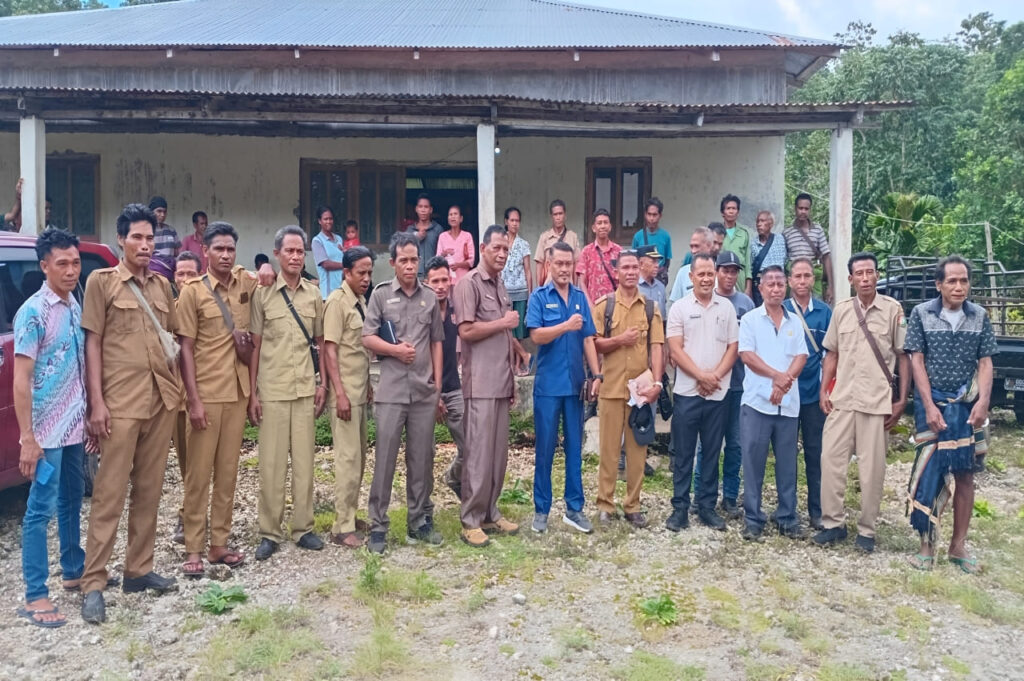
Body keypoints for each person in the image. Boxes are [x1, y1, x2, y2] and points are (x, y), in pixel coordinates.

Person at [80, 204, 180, 624]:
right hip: (119, 405)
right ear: (120, 239)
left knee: (149, 490)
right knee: (108, 494)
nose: (145, 244)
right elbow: (93, 344)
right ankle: (94, 582)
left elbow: (171, 338)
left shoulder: (162, 285)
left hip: (160, 401)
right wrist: (96, 403)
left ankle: (138, 569)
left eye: (150, 237)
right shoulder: (101, 283)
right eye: (137, 237)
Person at [904, 255, 996, 574]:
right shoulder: (921, 314)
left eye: (964, 280)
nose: (959, 287)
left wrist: (983, 401)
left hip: (968, 408)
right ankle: (926, 547)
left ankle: (958, 547)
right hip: (932, 407)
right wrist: (929, 405)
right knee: (930, 470)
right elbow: (916, 361)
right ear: (939, 284)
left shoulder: (980, 316)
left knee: (965, 474)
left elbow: (985, 362)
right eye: (952, 281)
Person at [13, 228, 86, 628]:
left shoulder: (74, 304)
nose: (71, 270)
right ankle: (36, 594)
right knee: (39, 510)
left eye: (75, 262)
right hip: (45, 433)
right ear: (44, 266)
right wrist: (28, 438)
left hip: (74, 427)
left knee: (72, 500)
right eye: (62, 264)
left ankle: (74, 569)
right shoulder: (33, 313)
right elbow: (20, 380)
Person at [813, 252, 909, 553]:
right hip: (842, 399)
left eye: (870, 272)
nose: (865, 278)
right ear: (851, 278)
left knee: (872, 470)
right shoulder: (841, 311)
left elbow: (903, 356)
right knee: (830, 462)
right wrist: (823, 390)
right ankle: (833, 524)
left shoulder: (893, 310)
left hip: (875, 401)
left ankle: (867, 530)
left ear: (877, 276)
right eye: (860, 273)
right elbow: (832, 354)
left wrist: (902, 399)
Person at [177, 221, 257, 576]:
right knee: (198, 475)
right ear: (204, 252)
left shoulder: (244, 284)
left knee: (227, 473)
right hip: (206, 394)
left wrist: (266, 267)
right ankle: (193, 546)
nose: (225, 255)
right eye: (218, 249)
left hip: (237, 394)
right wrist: (192, 401)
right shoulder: (193, 292)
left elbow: (267, 276)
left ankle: (218, 544)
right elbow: (185, 349)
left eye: (230, 249)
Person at [362, 231, 445, 554]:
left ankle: (419, 521)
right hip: (392, 392)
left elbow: (437, 340)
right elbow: (368, 338)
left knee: (422, 460)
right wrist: (395, 351)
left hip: (424, 392)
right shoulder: (381, 296)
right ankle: (378, 526)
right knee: (385, 461)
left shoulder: (430, 297)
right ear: (393, 263)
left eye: (415, 260)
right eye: (404, 261)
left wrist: (437, 384)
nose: (410, 266)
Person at [248, 225, 327, 561]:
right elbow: (255, 345)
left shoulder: (313, 294)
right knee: (271, 465)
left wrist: (322, 382)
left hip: (306, 389)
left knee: (305, 464)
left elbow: (321, 342)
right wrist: (252, 393)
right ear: (277, 253)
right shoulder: (261, 292)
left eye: (300, 251)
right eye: (290, 251)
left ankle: (303, 528)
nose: (296, 257)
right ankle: (269, 532)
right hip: (273, 390)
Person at [527, 240, 602, 534]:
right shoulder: (538, 297)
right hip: (548, 387)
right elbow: (536, 337)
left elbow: (587, 339)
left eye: (568, 264)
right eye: (558, 264)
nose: (563, 269)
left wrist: (596, 376)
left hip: (575, 387)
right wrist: (564, 326)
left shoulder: (581, 298)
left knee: (574, 449)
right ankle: (541, 510)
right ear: (548, 264)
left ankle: (574, 508)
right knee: (545, 450)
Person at [455, 224, 523, 547]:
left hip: (501, 380)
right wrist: (504, 322)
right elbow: (466, 331)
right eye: (496, 247)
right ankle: (470, 519)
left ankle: (490, 512)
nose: (501, 253)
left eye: (506, 249)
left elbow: (502, 333)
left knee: (498, 455)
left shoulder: (500, 285)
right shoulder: (468, 284)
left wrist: (517, 352)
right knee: (479, 455)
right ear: (482, 248)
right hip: (479, 382)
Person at [664, 253, 738, 532]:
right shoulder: (680, 308)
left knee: (711, 453)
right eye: (701, 274)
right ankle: (680, 509)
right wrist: (700, 376)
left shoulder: (727, 308)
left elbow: (733, 347)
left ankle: (706, 507)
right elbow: (675, 348)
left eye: (710, 273)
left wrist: (714, 377)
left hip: (718, 394)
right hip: (687, 393)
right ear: (691, 277)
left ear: (716, 275)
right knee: (683, 454)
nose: (706, 278)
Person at [592, 250, 664, 529]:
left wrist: (657, 383)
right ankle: (605, 505)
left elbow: (657, 347)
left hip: (640, 393)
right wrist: (620, 340)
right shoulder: (604, 306)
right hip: (611, 388)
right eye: (626, 267)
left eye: (635, 267)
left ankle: (632, 505)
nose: (631, 272)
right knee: (609, 450)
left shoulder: (650, 308)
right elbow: (594, 343)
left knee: (637, 451)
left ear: (641, 269)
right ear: (617, 272)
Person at [737, 265, 808, 540]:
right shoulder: (751, 320)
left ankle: (787, 517)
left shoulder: (794, 321)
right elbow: (747, 356)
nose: (776, 288)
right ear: (761, 288)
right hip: (757, 403)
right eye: (771, 284)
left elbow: (801, 356)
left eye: (780, 284)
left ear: (785, 287)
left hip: (788, 404)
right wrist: (777, 377)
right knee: (753, 462)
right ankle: (753, 518)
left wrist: (785, 381)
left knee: (787, 463)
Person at [690, 251, 753, 520]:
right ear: (716, 272)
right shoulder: (704, 301)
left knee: (735, 443)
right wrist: (708, 377)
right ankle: (701, 495)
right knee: (707, 444)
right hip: (709, 384)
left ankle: (729, 497)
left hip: (738, 384)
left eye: (734, 271)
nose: (729, 275)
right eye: (724, 270)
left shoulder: (746, 304)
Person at [323, 246, 376, 549]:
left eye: (369, 272)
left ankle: (351, 515)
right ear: (346, 273)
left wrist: (366, 384)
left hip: (358, 391)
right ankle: (341, 527)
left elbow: (358, 350)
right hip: (344, 395)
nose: (367, 278)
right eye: (361, 273)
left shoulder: (361, 302)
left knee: (359, 459)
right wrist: (339, 393)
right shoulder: (336, 303)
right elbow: (330, 350)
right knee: (347, 459)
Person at [783, 257, 832, 530]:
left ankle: (817, 510)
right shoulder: (781, 310)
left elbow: (830, 355)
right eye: (797, 276)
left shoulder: (825, 313)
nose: (802, 281)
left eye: (806, 276)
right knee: (786, 454)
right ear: (790, 281)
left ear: (813, 279)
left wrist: (827, 389)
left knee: (816, 453)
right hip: (787, 394)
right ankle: (787, 511)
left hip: (815, 395)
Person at [421, 257, 471, 503]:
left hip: (454, 388)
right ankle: (424, 508)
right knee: (424, 454)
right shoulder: (420, 313)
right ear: (426, 283)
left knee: (470, 446)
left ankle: (454, 477)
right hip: (425, 393)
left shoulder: (456, 311)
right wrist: (434, 393)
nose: (440, 286)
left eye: (444, 280)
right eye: (435, 281)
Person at [170, 251, 202, 544]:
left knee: (200, 464)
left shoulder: (205, 306)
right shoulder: (168, 311)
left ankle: (188, 517)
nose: (186, 280)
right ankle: (190, 515)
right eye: (181, 274)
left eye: (191, 274)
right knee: (186, 465)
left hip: (203, 397)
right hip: (176, 401)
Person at [783, 193, 834, 304]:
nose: (803, 211)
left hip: (813, 278)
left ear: (810, 210)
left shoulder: (817, 230)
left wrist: (830, 286)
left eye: (806, 209)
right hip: (794, 279)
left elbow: (826, 256)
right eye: (800, 208)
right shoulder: (787, 232)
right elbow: (784, 260)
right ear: (795, 208)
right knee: (793, 309)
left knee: (817, 307)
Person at [501, 206, 534, 368]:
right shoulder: (500, 242)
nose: (515, 224)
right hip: (503, 292)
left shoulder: (524, 244)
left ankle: (516, 365)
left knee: (518, 332)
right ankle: (524, 355)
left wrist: (530, 293)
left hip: (520, 292)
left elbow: (528, 271)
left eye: (517, 221)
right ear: (506, 221)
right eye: (512, 220)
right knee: (506, 330)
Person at [576, 209, 621, 305]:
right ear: (593, 228)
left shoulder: (619, 251)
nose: (603, 226)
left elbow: (623, 280)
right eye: (599, 223)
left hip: (616, 305)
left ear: (610, 227)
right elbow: (582, 282)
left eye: (605, 223)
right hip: (594, 305)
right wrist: (589, 305)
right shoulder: (586, 251)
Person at [534, 199, 580, 286]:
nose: (558, 217)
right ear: (551, 217)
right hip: (549, 285)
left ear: (565, 215)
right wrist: (538, 288)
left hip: (568, 285)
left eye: (560, 214)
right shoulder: (544, 237)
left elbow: (576, 264)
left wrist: (575, 286)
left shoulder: (573, 237)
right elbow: (539, 264)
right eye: (555, 214)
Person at [749, 210, 787, 307]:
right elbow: (751, 266)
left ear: (771, 224)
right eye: (757, 222)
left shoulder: (780, 239)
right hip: (761, 282)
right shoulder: (753, 244)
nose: (759, 224)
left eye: (762, 221)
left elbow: (785, 259)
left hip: (778, 281)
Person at [631, 197, 673, 284]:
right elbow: (634, 259)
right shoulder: (638, 237)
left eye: (654, 215)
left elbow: (667, 261)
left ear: (660, 215)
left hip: (659, 279)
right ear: (645, 215)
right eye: (649, 214)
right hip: (642, 280)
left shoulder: (666, 236)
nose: (651, 218)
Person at [668, 227, 714, 304]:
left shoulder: (720, 272)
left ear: (709, 246)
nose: (693, 251)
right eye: (691, 246)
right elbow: (675, 305)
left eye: (696, 246)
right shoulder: (683, 272)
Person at [719, 195, 752, 296]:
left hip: (739, 275)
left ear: (738, 212)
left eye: (734, 208)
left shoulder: (744, 233)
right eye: (728, 208)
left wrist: (748, 288)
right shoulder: (717, 232)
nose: (731, 211)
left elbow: (748, 263)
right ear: (722, 213)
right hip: (722, 275)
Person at [405, 193, 444, 279]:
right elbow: (404, 251)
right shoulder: (410, 230)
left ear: (431, 210)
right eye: (420, 206)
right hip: (414, 275)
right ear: (416, 209)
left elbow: (442, 254)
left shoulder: (438, 229)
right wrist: (416, 238)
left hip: (433, 275)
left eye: (426, 207)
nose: (423, 210)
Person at [437, 204, 475, 287]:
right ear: (448, 219)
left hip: (463, 280)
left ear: (461, 218)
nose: (453, 217)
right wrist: (444, 253)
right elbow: (437, 259)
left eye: (455, 214)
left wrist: (458, 265)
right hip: (446, 281)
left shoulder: (467, 236)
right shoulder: (442, 236)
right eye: (450, 215)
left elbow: (471, 261)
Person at [312, 205, 344, 300]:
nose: (329, 222)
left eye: (331, 219)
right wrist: (346, 264)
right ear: (319, 221)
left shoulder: (339, 239)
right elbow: (326, 264)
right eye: (325, 219)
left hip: (342, 290)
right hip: (328, 293)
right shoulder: (317, 241)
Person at [149, 196, 180, 272]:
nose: (162, 215)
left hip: (170, 270)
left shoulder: (171, 230)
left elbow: (177, 252)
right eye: (159, 211)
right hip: (153, 270)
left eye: (164, 212)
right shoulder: (148, 230)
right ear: (151, 212)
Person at [637, 245, 667, 319]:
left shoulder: (660, 286)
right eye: (653, 262)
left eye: (657, 262)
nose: (657, 265)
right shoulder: (633, 286)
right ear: (641, 264)